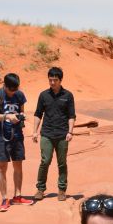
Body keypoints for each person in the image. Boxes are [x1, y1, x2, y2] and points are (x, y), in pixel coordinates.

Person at [0, 73, 34, 212]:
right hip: (1, 136)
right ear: (5, 85)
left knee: (18, 165)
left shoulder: (19, 95)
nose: (13, 92)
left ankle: (18, 196)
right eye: (11, 90)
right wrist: (7, 116)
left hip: (17, 135)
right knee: (2, 166)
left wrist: (21, 117)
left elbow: (21, 112)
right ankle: (4, 198)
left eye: (16, 89)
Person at [32, 67, 76, 201]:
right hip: (47, 134)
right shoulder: (43, 95)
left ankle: (62, 190)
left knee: (62, 163)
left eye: (55, 80)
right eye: (50, 80)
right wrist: (34, 131)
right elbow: (38, 114)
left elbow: (71, 115)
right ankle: (40, 189)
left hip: (62, 134)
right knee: (45, 161)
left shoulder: (68, 96)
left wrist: (70, 131)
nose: (52, 83)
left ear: (60, 80)